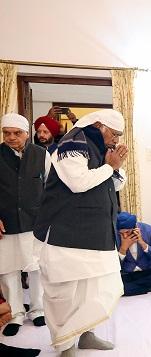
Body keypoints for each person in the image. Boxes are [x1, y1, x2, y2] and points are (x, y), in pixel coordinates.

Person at [33, 109, 128, 357]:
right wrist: (110, 166)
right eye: (114, 134)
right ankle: (64, 345)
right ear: (99, 126)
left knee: (97, 288)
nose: (116, 140)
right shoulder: (72, 144)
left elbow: (115, 183)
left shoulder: (99, 147)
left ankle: (85, 333)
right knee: (63, 293)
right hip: (67, 234)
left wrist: (114, 167)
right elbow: (78, 182)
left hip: (97, 233)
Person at [0, 113, 50, 336]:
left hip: (35, 223)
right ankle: (16, 314)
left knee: (36, 267)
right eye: (6, 133)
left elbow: (51, 188)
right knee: (8, 269)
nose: (11, 137)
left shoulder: (41, 154)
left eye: (16, 133)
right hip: (5, 224)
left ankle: (38, 310)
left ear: (27, 134)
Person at [116, 211, 151, 296]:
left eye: (127, 232)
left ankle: (134, 288)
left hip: (148, 272)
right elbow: (115, 266)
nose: (125, 236)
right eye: (122, 233)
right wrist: (123, 248)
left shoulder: (149, 230)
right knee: (115, 286)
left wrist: (142, 243)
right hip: (129, 275)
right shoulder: (115, 236)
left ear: (135, 227)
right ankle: (150, 287)